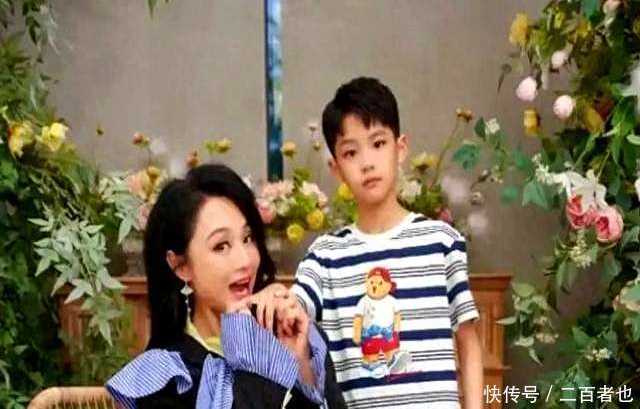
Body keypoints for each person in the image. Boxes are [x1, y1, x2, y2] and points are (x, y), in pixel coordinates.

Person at [258, 77, 484, 408]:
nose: (367, 162)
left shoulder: (441, 241)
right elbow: (294, 308)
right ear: (336, 169)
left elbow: (469, 341)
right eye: (351, 152)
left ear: (400, 148)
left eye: (378, 144)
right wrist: (274, 296)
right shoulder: (325, 256)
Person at [105, 163, 345, 409]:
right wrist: (249, 350)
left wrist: (301, 365)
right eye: (221, 246)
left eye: (248, 238)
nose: (245, 261)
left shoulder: (296, 336)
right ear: (180, 266)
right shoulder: (165, 377)